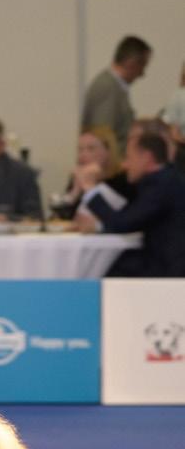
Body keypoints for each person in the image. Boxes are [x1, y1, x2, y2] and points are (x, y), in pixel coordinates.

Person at [74, 132, 185, 277]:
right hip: (162, 262)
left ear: (146, 158)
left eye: (128, 158)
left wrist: (89, 188)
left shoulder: (162, 185)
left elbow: (123, 223)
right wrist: (97, 226)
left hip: (167, 268)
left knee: (101, 270)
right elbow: (129, 218)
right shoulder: (163, 180)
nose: (124, 165)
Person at [81, 35, 152, 147]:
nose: (142, 74)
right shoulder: (108, 87)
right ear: (131, 63)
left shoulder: (114, 86)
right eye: (142, 66)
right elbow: (102, 136)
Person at [51, 125, 134, 219]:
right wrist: (74, 193)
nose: (83, 155)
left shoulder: (124, 178)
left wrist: (89, 187)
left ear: (108, 151)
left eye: (91, 149)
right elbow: (59, 219)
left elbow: (115, 217)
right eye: (80, 149)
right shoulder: (79, 177)